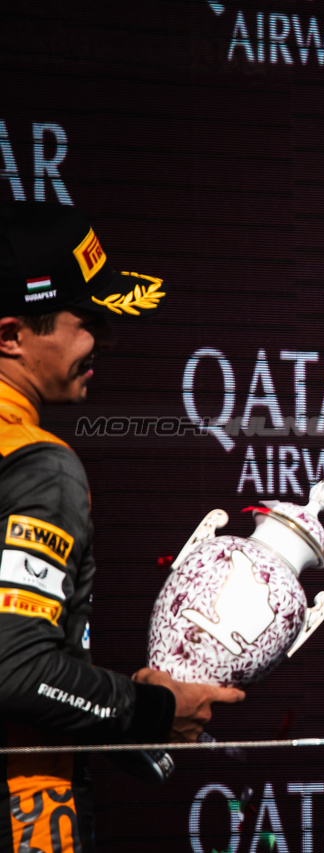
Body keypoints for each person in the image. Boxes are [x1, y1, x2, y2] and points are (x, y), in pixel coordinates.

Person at [0, 201, 244, 853]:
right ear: (11, 335)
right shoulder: (36, 464)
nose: (104, 341)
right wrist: (153, 712)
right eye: (89, 321)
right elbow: (16, 669)